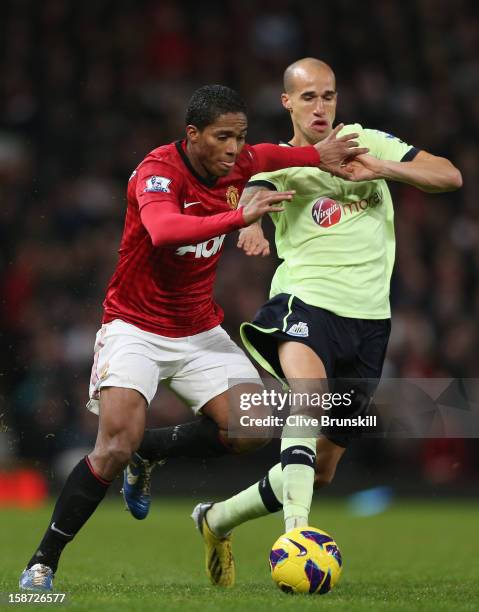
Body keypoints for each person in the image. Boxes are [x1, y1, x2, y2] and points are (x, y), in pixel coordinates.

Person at [19, 83, 366, 591]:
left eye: (239, 136)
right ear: (192, 135)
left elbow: (271, 153)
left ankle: (150, 451)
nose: (233, 149)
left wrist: (319, 153)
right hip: (134, 326)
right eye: (222, 137)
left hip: (198, 328)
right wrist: (239, 216)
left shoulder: (241, 160)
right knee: (113, 444)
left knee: (255, 427)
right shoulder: (157, 173)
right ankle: (43, 561)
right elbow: (164, 231)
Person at [190, 59, 462, 587]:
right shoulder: (283, 160)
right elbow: (250, 189)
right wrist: (253, 225)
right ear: (287, 102)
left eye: (329, 96)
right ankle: (297, 535)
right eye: (309, 97)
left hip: (369, 323)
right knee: (308, 395)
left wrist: (382, 169)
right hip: (305, 302)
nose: (320, 107)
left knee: (321, 469)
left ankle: (216, 519)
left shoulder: (367, 141)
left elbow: (448, 175)